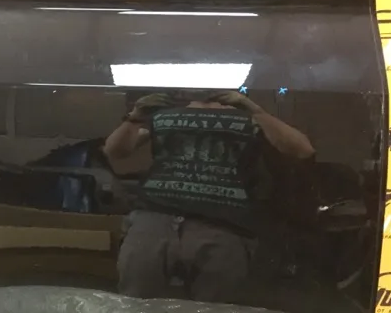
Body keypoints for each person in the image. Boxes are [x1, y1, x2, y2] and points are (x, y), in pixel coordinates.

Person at [103, 90, 316, 302]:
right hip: (155, 217)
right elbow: (114, 151)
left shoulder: (247, 115)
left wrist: (254, 109)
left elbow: (303, 149)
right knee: (135, 304)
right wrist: (135, 117)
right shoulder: (166, 110)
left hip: (223, 224)